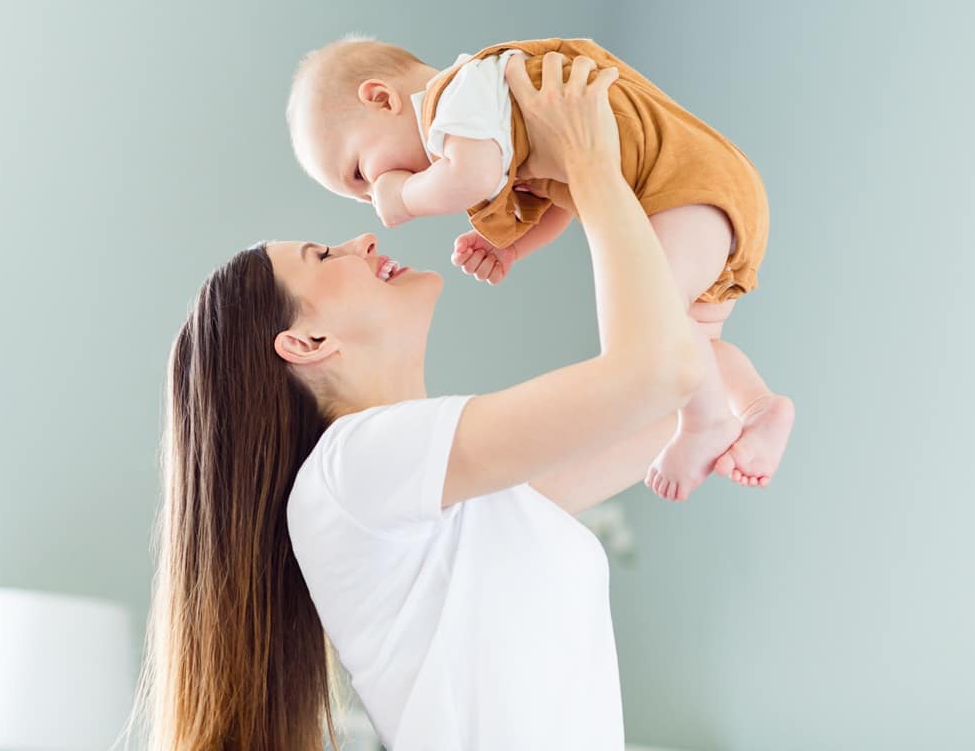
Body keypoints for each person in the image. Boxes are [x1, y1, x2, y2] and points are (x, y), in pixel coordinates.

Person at [140, 54, 698, 750]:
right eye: (324, 256)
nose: (365, 237)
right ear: (306, 340)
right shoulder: (351, 468)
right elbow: (662, 374)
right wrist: (588, 167)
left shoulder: (436, 496)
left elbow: (674, 399)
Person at [286, 36, 795, 502]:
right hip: (699, 195)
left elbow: (471, 177)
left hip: (683, 186)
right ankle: (755, 406)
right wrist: (513, 248)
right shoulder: (496, 120)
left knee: (657, 323)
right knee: (689, 335)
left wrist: (405, 196)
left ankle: (705, 424)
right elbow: (562, 196)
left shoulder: (454, 98)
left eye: (361, 175)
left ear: (381, 98)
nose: (373, 197)